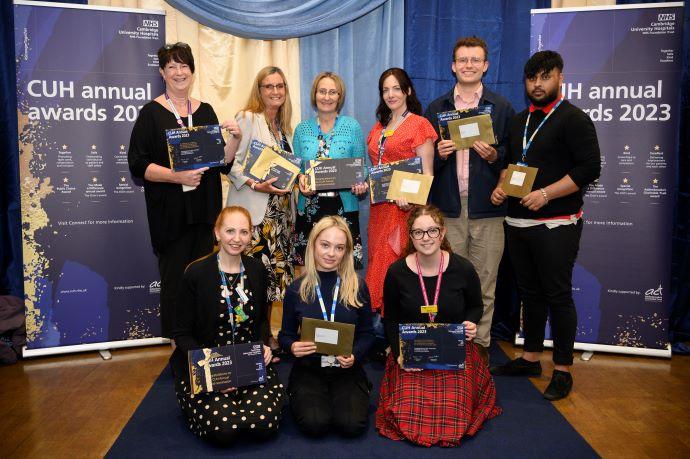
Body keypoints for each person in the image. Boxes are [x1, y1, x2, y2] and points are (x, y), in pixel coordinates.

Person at [489, 51, 601, 401]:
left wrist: (546, 195)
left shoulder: (574, 119)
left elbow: (589, 169)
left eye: (545, 77)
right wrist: (501, 186)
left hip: (556, 222)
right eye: (532, 78)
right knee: (529, 293)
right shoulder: (520, 119)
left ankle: (563, 370)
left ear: (559, 78)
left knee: (557, 294)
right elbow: (511, 164)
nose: (538, 84)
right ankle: (530, 357)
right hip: (517, 221)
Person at [128, 42, 241, 338]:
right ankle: (179, 349)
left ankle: (203, 342)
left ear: (192, 71)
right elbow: (138, 165)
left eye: (184, 66)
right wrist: (176, 177)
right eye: (172, 67)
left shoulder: (205, 111)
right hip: (171, 216)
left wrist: (236, 141)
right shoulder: (151, 113)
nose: (179, 72)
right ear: (163, 72)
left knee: (204, 282)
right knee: (176, 283)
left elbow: (222, 163)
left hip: (205, 214)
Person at [376, 204, 500, 447]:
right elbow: (390, 318)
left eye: (432, 231)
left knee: (455, 414)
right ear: (410, 236)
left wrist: (470, 323)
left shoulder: (462, 268)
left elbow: (476, 306)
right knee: (407, 413)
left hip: (452, 348)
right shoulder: (396, 272)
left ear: (442, 233)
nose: (426, 238)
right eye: (419, 232)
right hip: (413, 351)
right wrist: (400, 354)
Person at [424, 36, 515, 364]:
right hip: (447, 210)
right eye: (462, 60)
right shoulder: (437, 108)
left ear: (485, 66)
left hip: (487, 209)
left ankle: (479, 350)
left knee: (484, 282)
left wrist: (494, 155)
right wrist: (440, 154)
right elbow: (424, 164)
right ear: (453, 65)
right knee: (447, 283)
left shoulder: (501, 107)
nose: (468, 65)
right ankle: (449, 348)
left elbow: (512, 156)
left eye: (475, 60)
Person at [170, 206, 285, 445]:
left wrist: (264, 346)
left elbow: (261, 320)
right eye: (230, 230)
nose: (237, 238)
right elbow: (181, 334)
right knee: (225, 430)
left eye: (244, 232)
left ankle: (240, 404)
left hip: (246, 362)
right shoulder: (196, 273)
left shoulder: (256, 269)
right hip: (208, 363)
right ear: (217, 233)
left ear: (251, 235)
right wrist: (213, 374)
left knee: (264, 424)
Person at [278, 216, 374, 437]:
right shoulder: (296, 289)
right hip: (309, 368)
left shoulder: (357, 286)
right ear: (313, 245)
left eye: (339, 247)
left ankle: (357, 390)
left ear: (347, 252)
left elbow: (367, 334)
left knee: (351, 426)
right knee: (314, 425)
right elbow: (285, 335)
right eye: (325, 245)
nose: (331, 253)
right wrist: (292, 347)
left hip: (346, 368)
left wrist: (355, 355)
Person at [226, 66, 295, 356]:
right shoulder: (247, 118)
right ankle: (251, 341)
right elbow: (230, 166)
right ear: (259, 90)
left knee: (271, 283)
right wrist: (256, 185)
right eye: (269, 86)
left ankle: (266, 338)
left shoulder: (284, 127)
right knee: (250, 282)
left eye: (280, 86)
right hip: (254, 217)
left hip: (279, 217)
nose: (275, 91)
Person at [366, 67, 436, 318]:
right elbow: (376, 167)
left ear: (407, 91)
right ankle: (382, 335)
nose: (390, 94)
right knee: (377, 263)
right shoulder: (379, 126)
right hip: (379, 210)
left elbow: (427, 174)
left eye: (396, 88)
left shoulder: (420, 124)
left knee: (395, 269)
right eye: (385, 89)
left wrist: (413, 202)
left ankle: (397, 335)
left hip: (403, 211)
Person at [293, 72, 368, 269]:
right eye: (322, 91)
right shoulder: (302, 129)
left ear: (339, 96)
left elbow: (363, 168)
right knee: (308, 269)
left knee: (344, 269)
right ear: (314, 94)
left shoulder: (352, 127)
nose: (326, 97)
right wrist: (300, 180)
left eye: (332, 92)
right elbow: (297, 170)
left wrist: (361, 183)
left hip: (343, 207)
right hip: (310, 208)